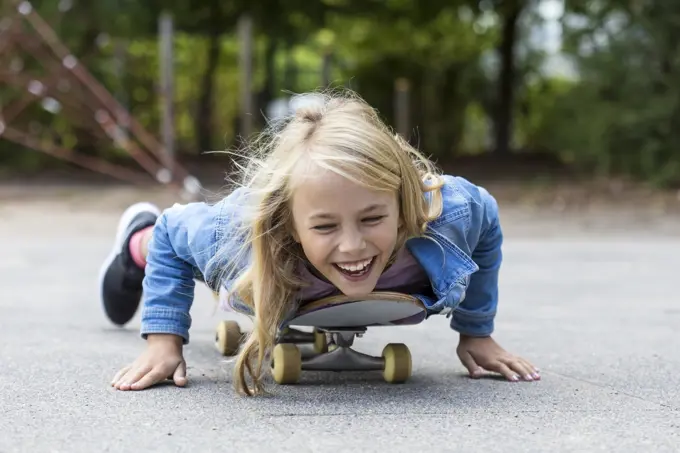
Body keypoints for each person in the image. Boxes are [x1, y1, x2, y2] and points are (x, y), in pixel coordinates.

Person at [101, 90, 540, 396]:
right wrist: (164, 339)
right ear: (290, 226)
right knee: (155, 236)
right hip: (235, 245)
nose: (352, 245)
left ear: (404, 205)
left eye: (372, 218)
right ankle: (130, 242)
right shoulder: (236, 239)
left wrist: (476, 332)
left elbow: (487, 219)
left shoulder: (450, 213)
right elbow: (173, 232)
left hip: (310, 277)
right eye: (326, 227)